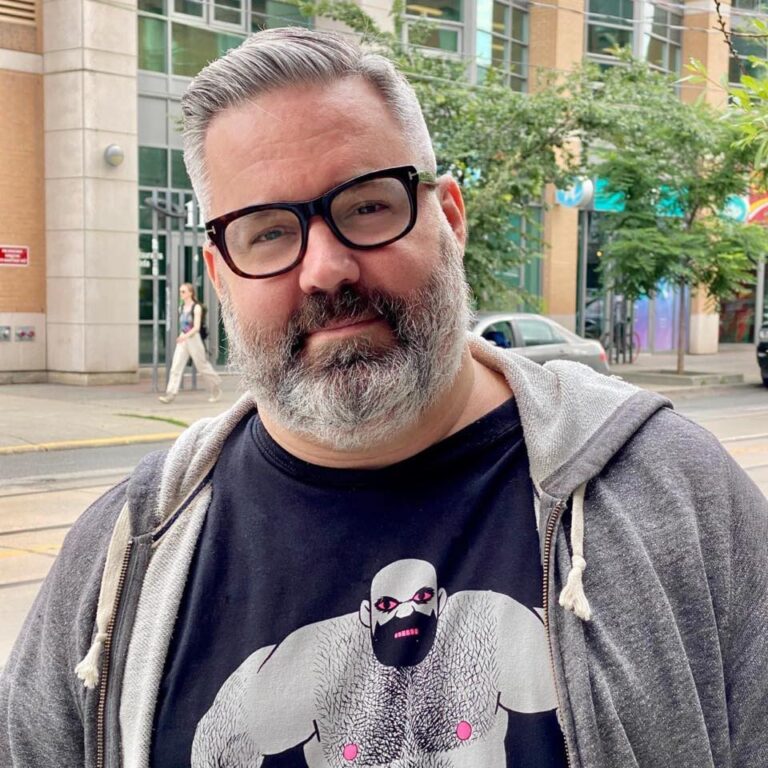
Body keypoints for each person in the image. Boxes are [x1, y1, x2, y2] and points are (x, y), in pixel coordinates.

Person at [1, 27, 766, 768]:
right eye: (267, 232)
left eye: (367, 205)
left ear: (450, 218)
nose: (325, 270)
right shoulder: (124, 556)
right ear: (221, 275)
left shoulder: (672, 494)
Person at [159, 282, 222, 403]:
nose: (181, 294)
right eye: (180, 291)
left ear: (190, 293)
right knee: (176, 366)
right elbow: (184, 325)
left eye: (183, 291)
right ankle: (170, 393)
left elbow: (196, 327)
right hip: (183, 338)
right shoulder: (181, 307)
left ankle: (215, 387)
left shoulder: (196, 307)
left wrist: (185, 336)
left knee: (202, 366)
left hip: (194, 339)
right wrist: (182, 336)